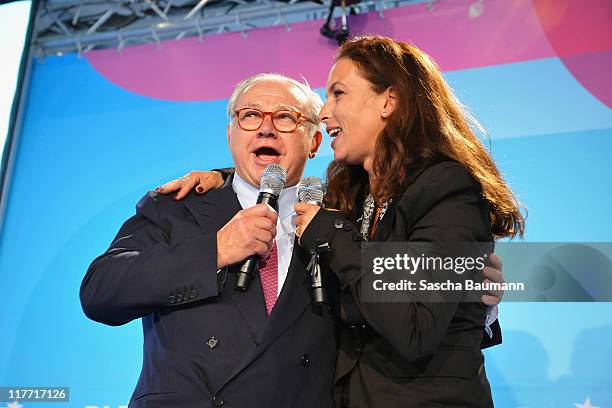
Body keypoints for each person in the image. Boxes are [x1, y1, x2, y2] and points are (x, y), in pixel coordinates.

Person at [292, 36, 524, 407]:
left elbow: (414, 327)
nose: (324, 111)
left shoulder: (446, 188)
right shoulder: (351, 195)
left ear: (389, 101)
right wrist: (218, 179)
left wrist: (336, 238)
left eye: (338, 94)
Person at [81, 73, 338, 408]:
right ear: (231, 134)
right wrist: (214, 251)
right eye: (250, 115)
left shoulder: (339, 223)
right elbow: (100, 291)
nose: (266, 128)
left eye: (286, 117)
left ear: (315, 141)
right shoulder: (175, 207)